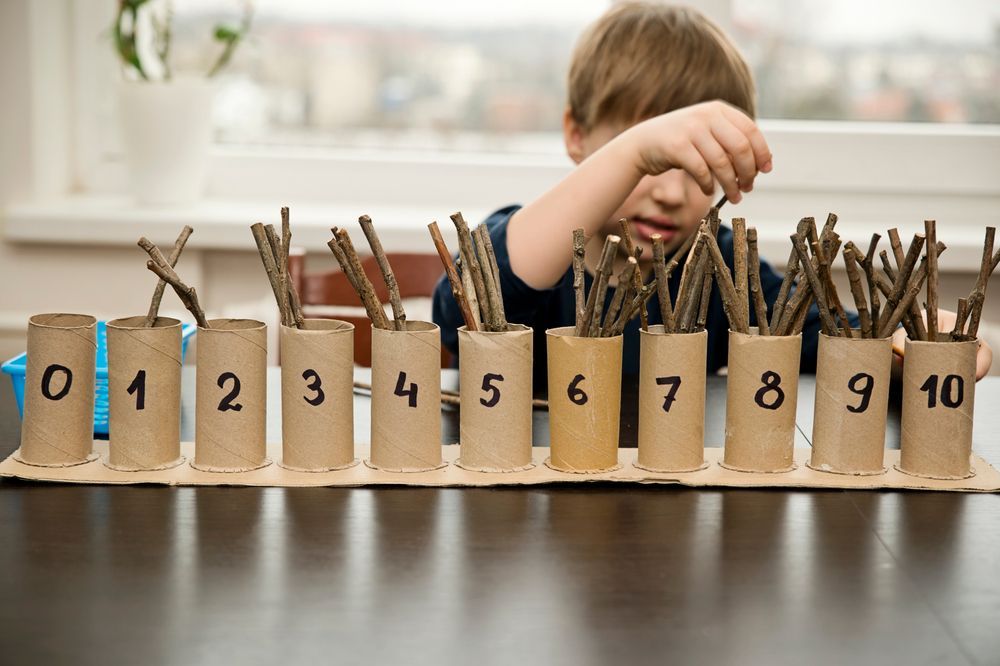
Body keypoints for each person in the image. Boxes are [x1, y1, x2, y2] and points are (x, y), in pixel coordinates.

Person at [432, 1, 992, 389]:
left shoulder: (725, 269)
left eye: (697, 165)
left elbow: (833, 340)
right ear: (578, 137)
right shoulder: (531, 241)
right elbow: (470, 307)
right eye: (649, 162)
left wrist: (913, 347)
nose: (672, 192)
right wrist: (631, 152)